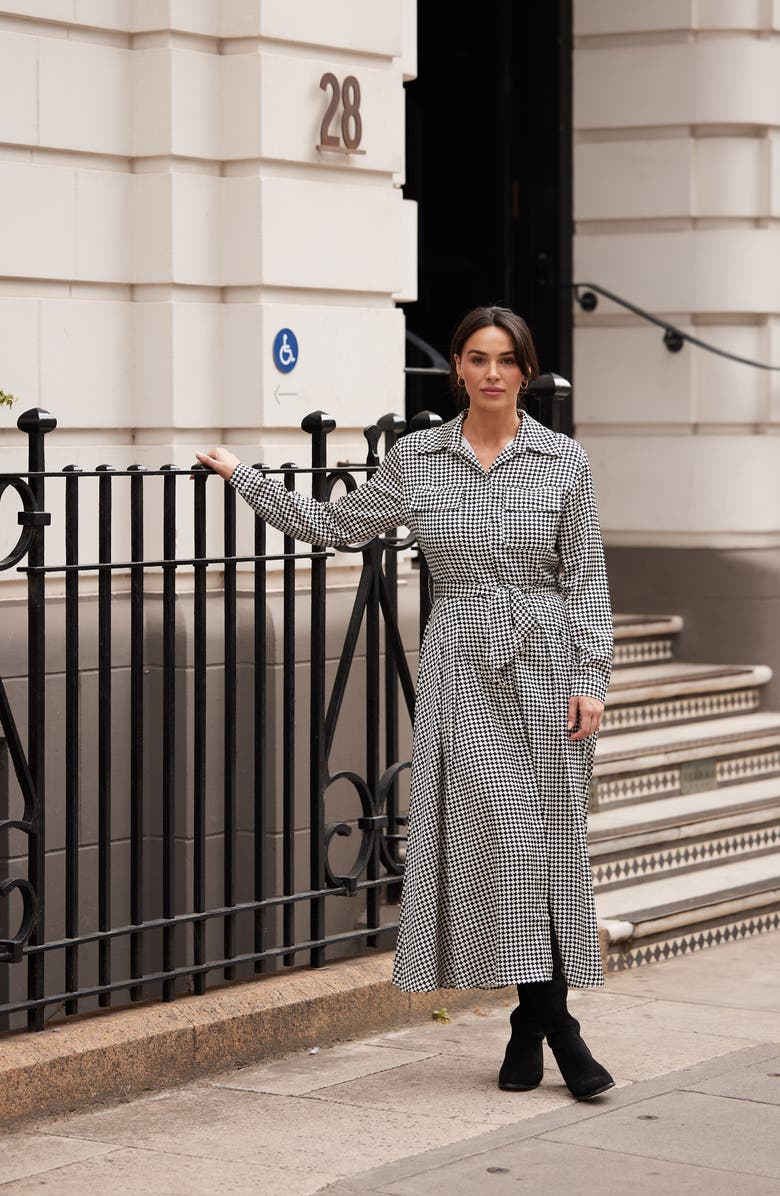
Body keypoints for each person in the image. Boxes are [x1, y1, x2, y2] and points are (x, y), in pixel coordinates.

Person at [196, 305, 615, 1101]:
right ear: (456, 368)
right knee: (508, 844)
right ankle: (561, 1029)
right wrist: (246, 477)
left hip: (548, 661)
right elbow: (334, 523)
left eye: (507, 360)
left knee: (550, 845)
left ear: (525, 371)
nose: (492, 372)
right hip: (462, 667)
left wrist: (592, 677)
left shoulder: (564, 460)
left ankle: (530, 1027)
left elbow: (586, 574)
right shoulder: (418, 458)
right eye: (478, 358)